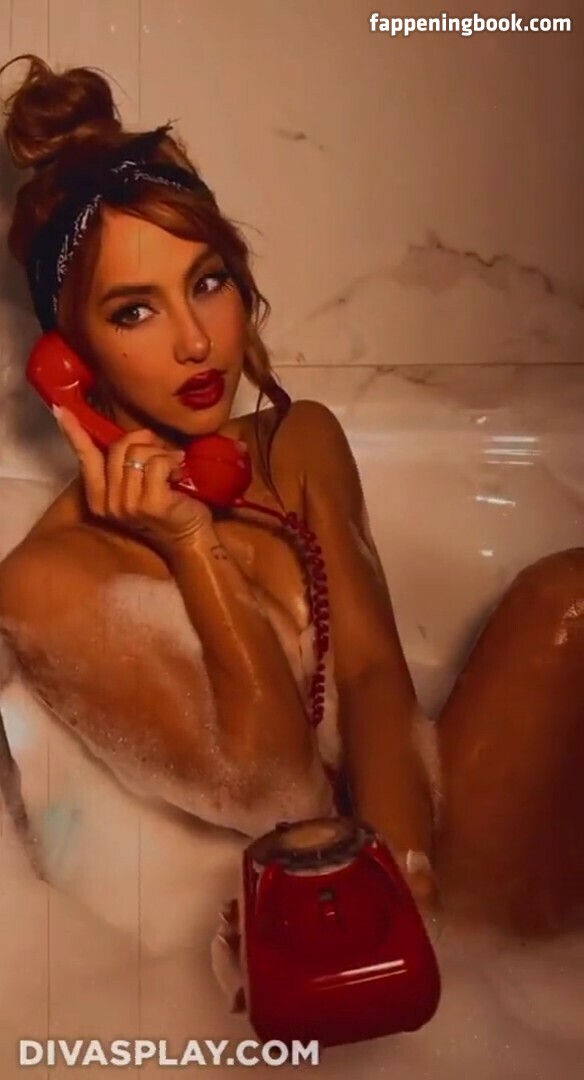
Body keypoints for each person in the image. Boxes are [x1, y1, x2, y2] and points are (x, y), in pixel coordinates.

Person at [0, 55, 581, 946]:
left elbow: (374, 678)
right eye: (134, 311)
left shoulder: (298, 444)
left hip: (400, 874)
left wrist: (408, 875)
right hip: (290, 913)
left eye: (207, 282)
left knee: (566, 595)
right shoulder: (46, 581)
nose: (197, 341)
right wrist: (190, 544)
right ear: (70, 358)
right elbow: (278, 791)